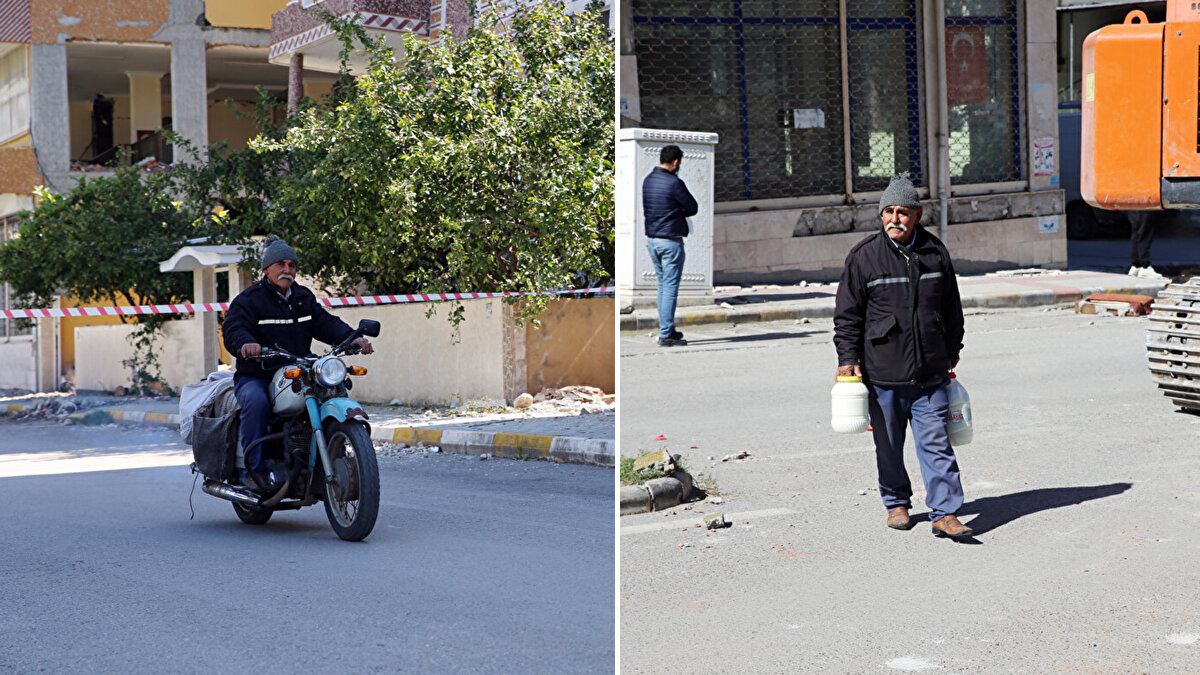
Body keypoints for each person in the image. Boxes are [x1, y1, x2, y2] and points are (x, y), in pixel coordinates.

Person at [832, 173, 973, 539]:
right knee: (889, 447)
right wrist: (847, 359)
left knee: (937, 444)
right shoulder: (864, 258)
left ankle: (945, 513)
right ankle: (896, 503)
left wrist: (953, 348)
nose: (895, 218)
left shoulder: (935, 252)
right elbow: (847, 317)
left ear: (918, 215)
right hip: (883, 374)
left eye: (903, 212)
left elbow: (952, 307)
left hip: (930, 372)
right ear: (881, 215)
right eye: (889, 211)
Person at [222, 236, 374, 491]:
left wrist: (353, 337)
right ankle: (254, 473)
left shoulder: (303, 298)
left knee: (331, 391)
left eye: (292, 265)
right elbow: (234, 329)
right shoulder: (249, 300)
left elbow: (324, 322)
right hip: (258, 374)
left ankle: (324, 458)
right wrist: (246, 344)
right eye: (281, 264)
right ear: (266, 269)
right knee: (256, 402)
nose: (287, 270)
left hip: (298, 369)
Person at [642, 144, 698, 347]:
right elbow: (693, 207)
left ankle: (668, 329)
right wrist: (679, 208)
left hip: (652, 241)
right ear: (676, 163)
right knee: (670, 288)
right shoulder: (674, 183)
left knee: (663, 286)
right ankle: (666, 333)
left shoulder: (648, 181)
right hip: (670, 242)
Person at [1128, 211, 1165, 279]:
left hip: (1133, 204)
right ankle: (1145, 267)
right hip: (1145, 205)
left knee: (1136, 231)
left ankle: (1136, 266)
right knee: (1145, 233)